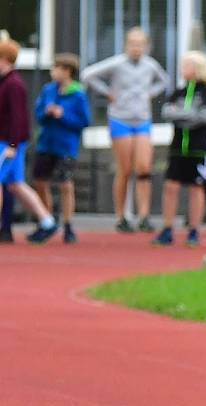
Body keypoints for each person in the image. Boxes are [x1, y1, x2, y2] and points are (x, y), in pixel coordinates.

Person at [81, 27, 169, 233]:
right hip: (121, 118)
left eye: (140, 44)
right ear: (126, 45)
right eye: (132, 44)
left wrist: (151, 93)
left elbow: (164, 81)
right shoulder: (117, 63)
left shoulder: (150, 65)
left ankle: (144, 215)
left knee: (144, 167)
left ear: (146, 46)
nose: (136, 48)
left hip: (142, 119)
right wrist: (108, 93)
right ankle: (121, 215)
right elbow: (88, 75)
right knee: (125, 168)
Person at [0, 38, 60, 244]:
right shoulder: (6, 83)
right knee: (16, 185)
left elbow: (19, 119)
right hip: (10, 142)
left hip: (10, 143)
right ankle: (47, 221)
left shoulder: (14, 85)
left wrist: (13, 146)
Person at [151, 52, 206, 247]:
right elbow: (167, 112)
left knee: (196, 188)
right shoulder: (178, 92)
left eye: (186, 65)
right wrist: (188, 115)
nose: (182, 69)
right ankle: (167, 228)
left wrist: (183, 116)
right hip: (177, 148)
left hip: (198, 149)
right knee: (170, 187)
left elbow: (205, 116)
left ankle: (194, 230)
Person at [32, 53, 91, 244]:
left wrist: (63, 115)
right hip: (46, 143)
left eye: (56, 68)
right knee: (40, 181)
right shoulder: (48, 90)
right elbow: (38, 113)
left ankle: (68, 224)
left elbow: (84, 121)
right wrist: (46, 113)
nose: (53, 72)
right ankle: (47, 219)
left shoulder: (78, 94)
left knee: (66, 184)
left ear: (67, 71)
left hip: (66, 146)